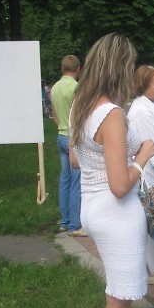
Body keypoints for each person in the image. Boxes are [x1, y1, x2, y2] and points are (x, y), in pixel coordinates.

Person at [69, 33, 154, 308]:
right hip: (116, 214)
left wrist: (114, 157)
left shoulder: (81, 106)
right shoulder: (112, 114)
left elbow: (75, 158)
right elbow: (120, 186)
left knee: (117, 293)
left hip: (92, 208)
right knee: (120, 300)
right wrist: (142, 157)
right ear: (121, 68)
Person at [50, 55, 86, 237]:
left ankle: (64, 221)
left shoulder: (55, 87)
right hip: (73, 137)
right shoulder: (77, 87)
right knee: (77, 181)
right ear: (78, 69)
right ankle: (75, 224)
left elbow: (55, 115)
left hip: (60, 135)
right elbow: (80, 115)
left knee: (64, 180)